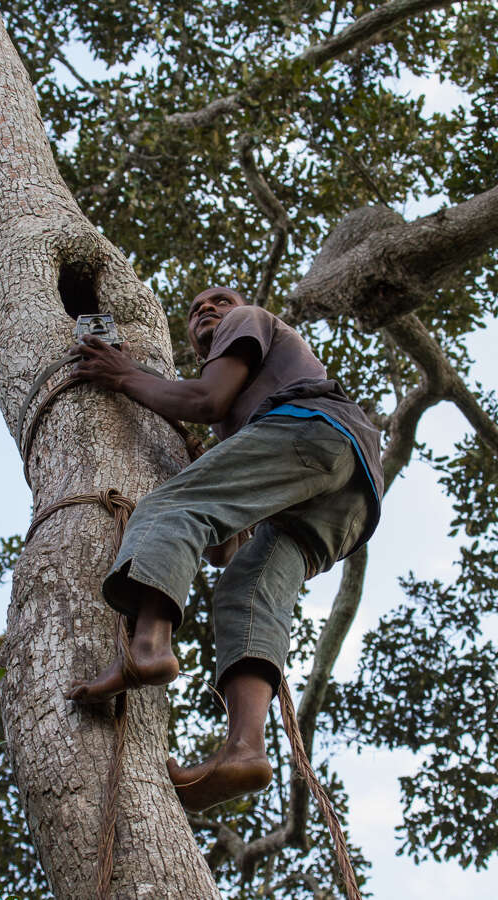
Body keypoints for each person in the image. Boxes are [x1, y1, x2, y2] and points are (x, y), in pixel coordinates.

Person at [67, 286, 383, 812]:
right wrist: (207, 455)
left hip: (312, 430)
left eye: (219, 300)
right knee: (248, 589)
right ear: (193, 344)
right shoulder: (241, 415)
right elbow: (224, 551)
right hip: (350, 503)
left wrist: (122, 374)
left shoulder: (251, 320)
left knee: (172, 505)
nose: (207, 310)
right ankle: (245, 751)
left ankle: (148, 646)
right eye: (194, 311)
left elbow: (204, 400)